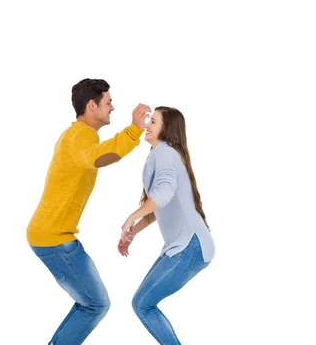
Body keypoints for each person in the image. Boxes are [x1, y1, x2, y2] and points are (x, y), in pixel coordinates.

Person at [27, 78, 151, 345]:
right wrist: (133, 130)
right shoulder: (79, 135)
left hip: (53, 235)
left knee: (90, 303)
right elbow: (99, 157)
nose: (112, 108)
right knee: (96, 304)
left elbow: (96, 154)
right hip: (55, 238)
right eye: (108, 102)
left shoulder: (79, 135)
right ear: (92, 105)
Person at [119, 106, 215, 345]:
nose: (147, 125)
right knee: (142, 303)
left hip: (190, 246)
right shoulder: (160, 154)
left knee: (143, 304)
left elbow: (162, 193)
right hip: (186, 245)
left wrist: (132, 216)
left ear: (167, 128)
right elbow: (159, 207)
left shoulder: (166, 154)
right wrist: (134, 231)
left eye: (153, 121)